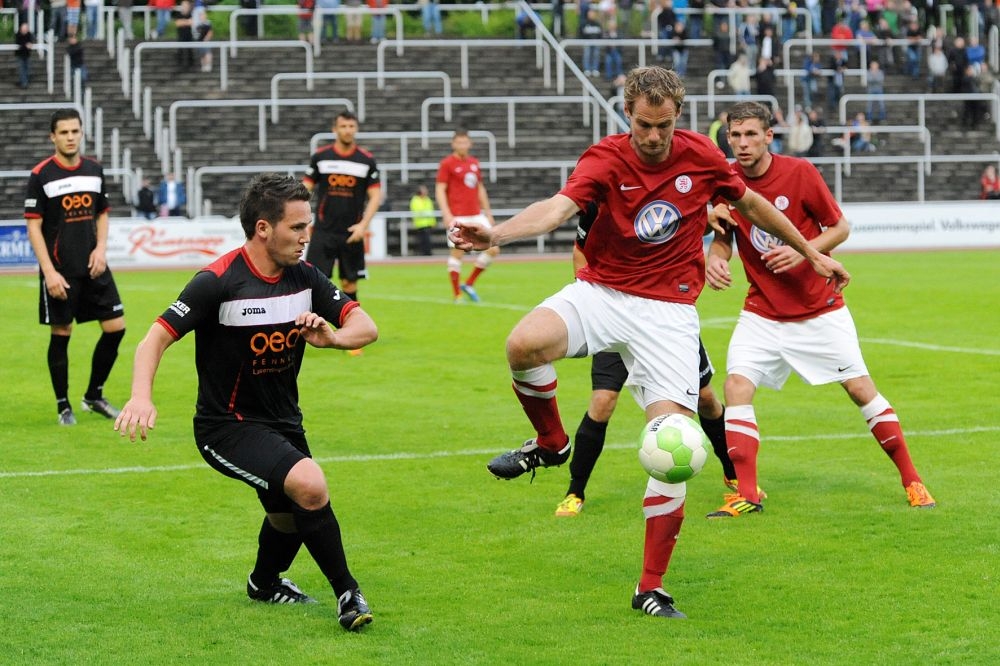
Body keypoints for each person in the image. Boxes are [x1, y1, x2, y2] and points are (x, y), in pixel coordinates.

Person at [449, 67, 849, 620]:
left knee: (674, 448)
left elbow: (752, 206)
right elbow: (559, 207)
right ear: (627, 113)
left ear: (677, 116)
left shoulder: (703, 157)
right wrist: (497, 233)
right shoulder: (605, 157)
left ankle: (650, 588)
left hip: (668, 315)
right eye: (643, 124)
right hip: (604, 291)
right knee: (522, 344)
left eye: (662, 125)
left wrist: (812, 252)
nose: (653, 137)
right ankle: (551, 442)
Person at [113, 173, 379, 632]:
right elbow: (154, 338)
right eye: (296, 227)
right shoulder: (216, 281)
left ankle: (263, 583)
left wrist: (332, 338)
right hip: (226, 426)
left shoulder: (306, 276)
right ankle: (348, 593)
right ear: (262, 228)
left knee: (289, 516)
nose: (305, 236)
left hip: (283, 422)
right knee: (310, 486)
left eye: (307, 226)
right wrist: (141, 395)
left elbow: (367, 328)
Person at [704, 101, 935, 518]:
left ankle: (913, 480)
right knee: (736, 387)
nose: (741, 143)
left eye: (751, 134)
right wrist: (716, 256)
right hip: (762, 311)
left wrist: (803, 253)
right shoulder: (727, 181)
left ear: (769, 136)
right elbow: (725, 234)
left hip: (819, 309)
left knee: (861, 389)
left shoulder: (799, 173)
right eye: (735, 135)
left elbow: (840, 227)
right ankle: (748, 494)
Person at [554, 204, 761, 519]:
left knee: (706, 399)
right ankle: (575, 492)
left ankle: (733, 473)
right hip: (614, 316)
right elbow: (579, 251)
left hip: (664, 320)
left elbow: (693, 227)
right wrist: (592, 298)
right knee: (602, 402)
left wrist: (706, 220)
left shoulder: (663, 199)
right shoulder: (600, 202)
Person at [25, 108, 126, 426]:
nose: (70, 137)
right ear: (53, 136)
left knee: (116, 328)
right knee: (62, 332)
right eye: (64, 132)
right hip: (60, 269)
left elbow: (103, 213)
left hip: (94, 265)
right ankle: (63, 405)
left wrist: (101, 249)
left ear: (82, 133)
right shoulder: (41, 174)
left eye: (75, 131)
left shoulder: (94, 169)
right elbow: (33, 226)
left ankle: (94, 395)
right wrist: (49, 272)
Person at [302, 109, 380, 355]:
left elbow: (376, 195)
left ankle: (351, 337)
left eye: (351, 126)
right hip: (323, 232)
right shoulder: (320, 158)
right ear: (335, 129)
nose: (348, 130)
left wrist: (363, 226)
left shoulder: (366, 160)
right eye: (343, 126)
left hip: (351, 233)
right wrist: (304, 222)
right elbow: (305, 190)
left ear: (356, 129)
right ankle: (305, 331)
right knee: (312, 283)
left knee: (349, 282)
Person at [436, 129, 499, 304]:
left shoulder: (474, 163)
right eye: (459, 142)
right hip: (458, 215)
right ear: (453, 144)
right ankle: (457, 295)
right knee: (458, 252)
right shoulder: (447, 164)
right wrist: (446, 213)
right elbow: (440, 189)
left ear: (469, 144)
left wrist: (488, 212)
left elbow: (480, 188)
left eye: (465, 142)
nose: (462, 145)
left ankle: (469, 283)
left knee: (494, 248)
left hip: (477, 214)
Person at [409, 184, 436, 256]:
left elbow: (431, 211)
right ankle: (423, 254)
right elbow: (418, 211)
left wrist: (433, 221)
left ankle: (427, 253)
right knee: (422, 240)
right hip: (420, 224)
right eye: (424, 190)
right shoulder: (415, 200)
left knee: (427, 240)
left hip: (428, 223)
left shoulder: (428, 199)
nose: (426, 191)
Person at [15, 22, 34, 89]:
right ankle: (24, 83)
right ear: (21, 29)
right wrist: (26, 45)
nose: (25, 30)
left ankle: (23, 81)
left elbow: (31, 43)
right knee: (22, 68)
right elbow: (18, 43)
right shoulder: (18, 34)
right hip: (20, 54)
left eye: (26, 29)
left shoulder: (29, 34)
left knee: (26, 68)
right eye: (24, 29)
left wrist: (27, 45)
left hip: (27, 54)